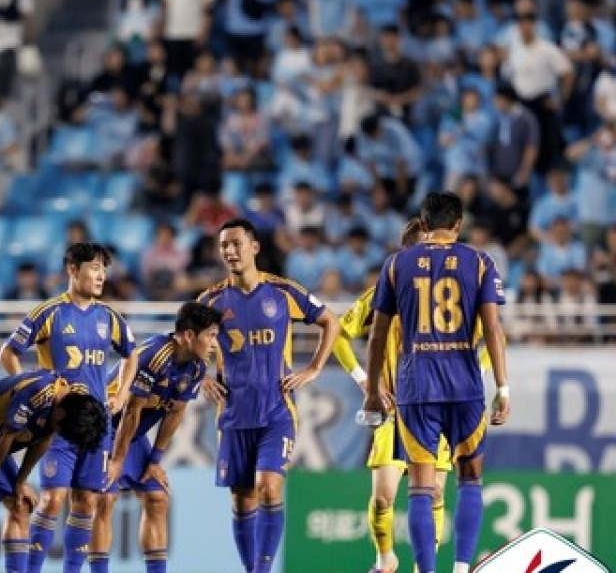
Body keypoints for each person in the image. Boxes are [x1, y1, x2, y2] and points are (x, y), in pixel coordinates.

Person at [362, 192, 510, 573]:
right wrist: (503, 388)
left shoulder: (396, 265)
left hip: (416, 387)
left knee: (420, 488)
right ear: (459, 225)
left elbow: (377, 336)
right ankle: (460, 569)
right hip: (465, 385)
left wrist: (372, 391)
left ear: (424, 225)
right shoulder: (480, 262)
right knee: (470, 478)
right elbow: (493, 328)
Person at [196, 218, 339, 573]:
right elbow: (185, 346)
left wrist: (314, 368)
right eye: (224, 246)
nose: (230, 251)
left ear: (255, 247)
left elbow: (331, 321)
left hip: (277, 412)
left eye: (236, 243)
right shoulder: (210, 300)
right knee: (242, 499)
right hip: (233, 415)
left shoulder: (283, 292)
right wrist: (201, 377)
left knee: (268, 487)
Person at [0, 243, 136, 573]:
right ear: (73, 270)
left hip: (97, 425)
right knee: (52, 500)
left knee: (87, 501)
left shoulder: (109, 317)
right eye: (94, 268)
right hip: (58, 424)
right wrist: (29, 389)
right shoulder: (49, 313)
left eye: (104, 269)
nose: (101, 276)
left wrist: (122, 395)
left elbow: (132, 355)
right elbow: (7, 352)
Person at [332, 219, 458, 573]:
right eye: (421, 248)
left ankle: (423, 567)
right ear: (405, 252)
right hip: (395, 411)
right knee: (383, 496)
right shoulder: (384, 292)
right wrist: (366, 382)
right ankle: (385, 558)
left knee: (434, 493)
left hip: (437, 410)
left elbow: (489, 336)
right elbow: (338, 334)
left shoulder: (450, 294)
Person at [90, 302, 222, 573]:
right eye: (210, 335)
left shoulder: (197, 366)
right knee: (105, 499)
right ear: (188, 336)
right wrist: (117, 461)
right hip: (102, 428)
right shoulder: (153, 356)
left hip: (131, 434)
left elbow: (176, 412)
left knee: (157, 498)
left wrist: (154, 461)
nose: (214, 343)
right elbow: (130, 412)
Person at [0, 370, 108, 573]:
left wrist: (21, 482)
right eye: (63, 430)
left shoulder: (65, 406)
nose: (60, 433)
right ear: (60, 413)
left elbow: (43, 440)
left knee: (21, 505)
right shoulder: (38, 391)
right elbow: (6, 435)